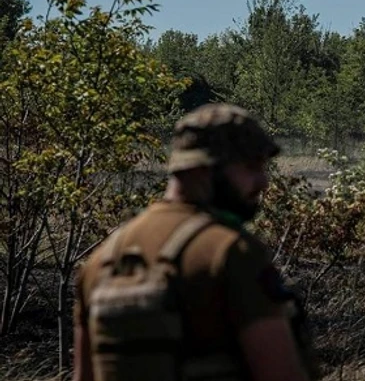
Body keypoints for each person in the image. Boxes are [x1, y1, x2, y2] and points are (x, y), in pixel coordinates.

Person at [72, 103, 320, 381]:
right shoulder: (230, 252)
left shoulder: (101, 260)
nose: (263, 182)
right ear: (202, 168)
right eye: (251, 167)